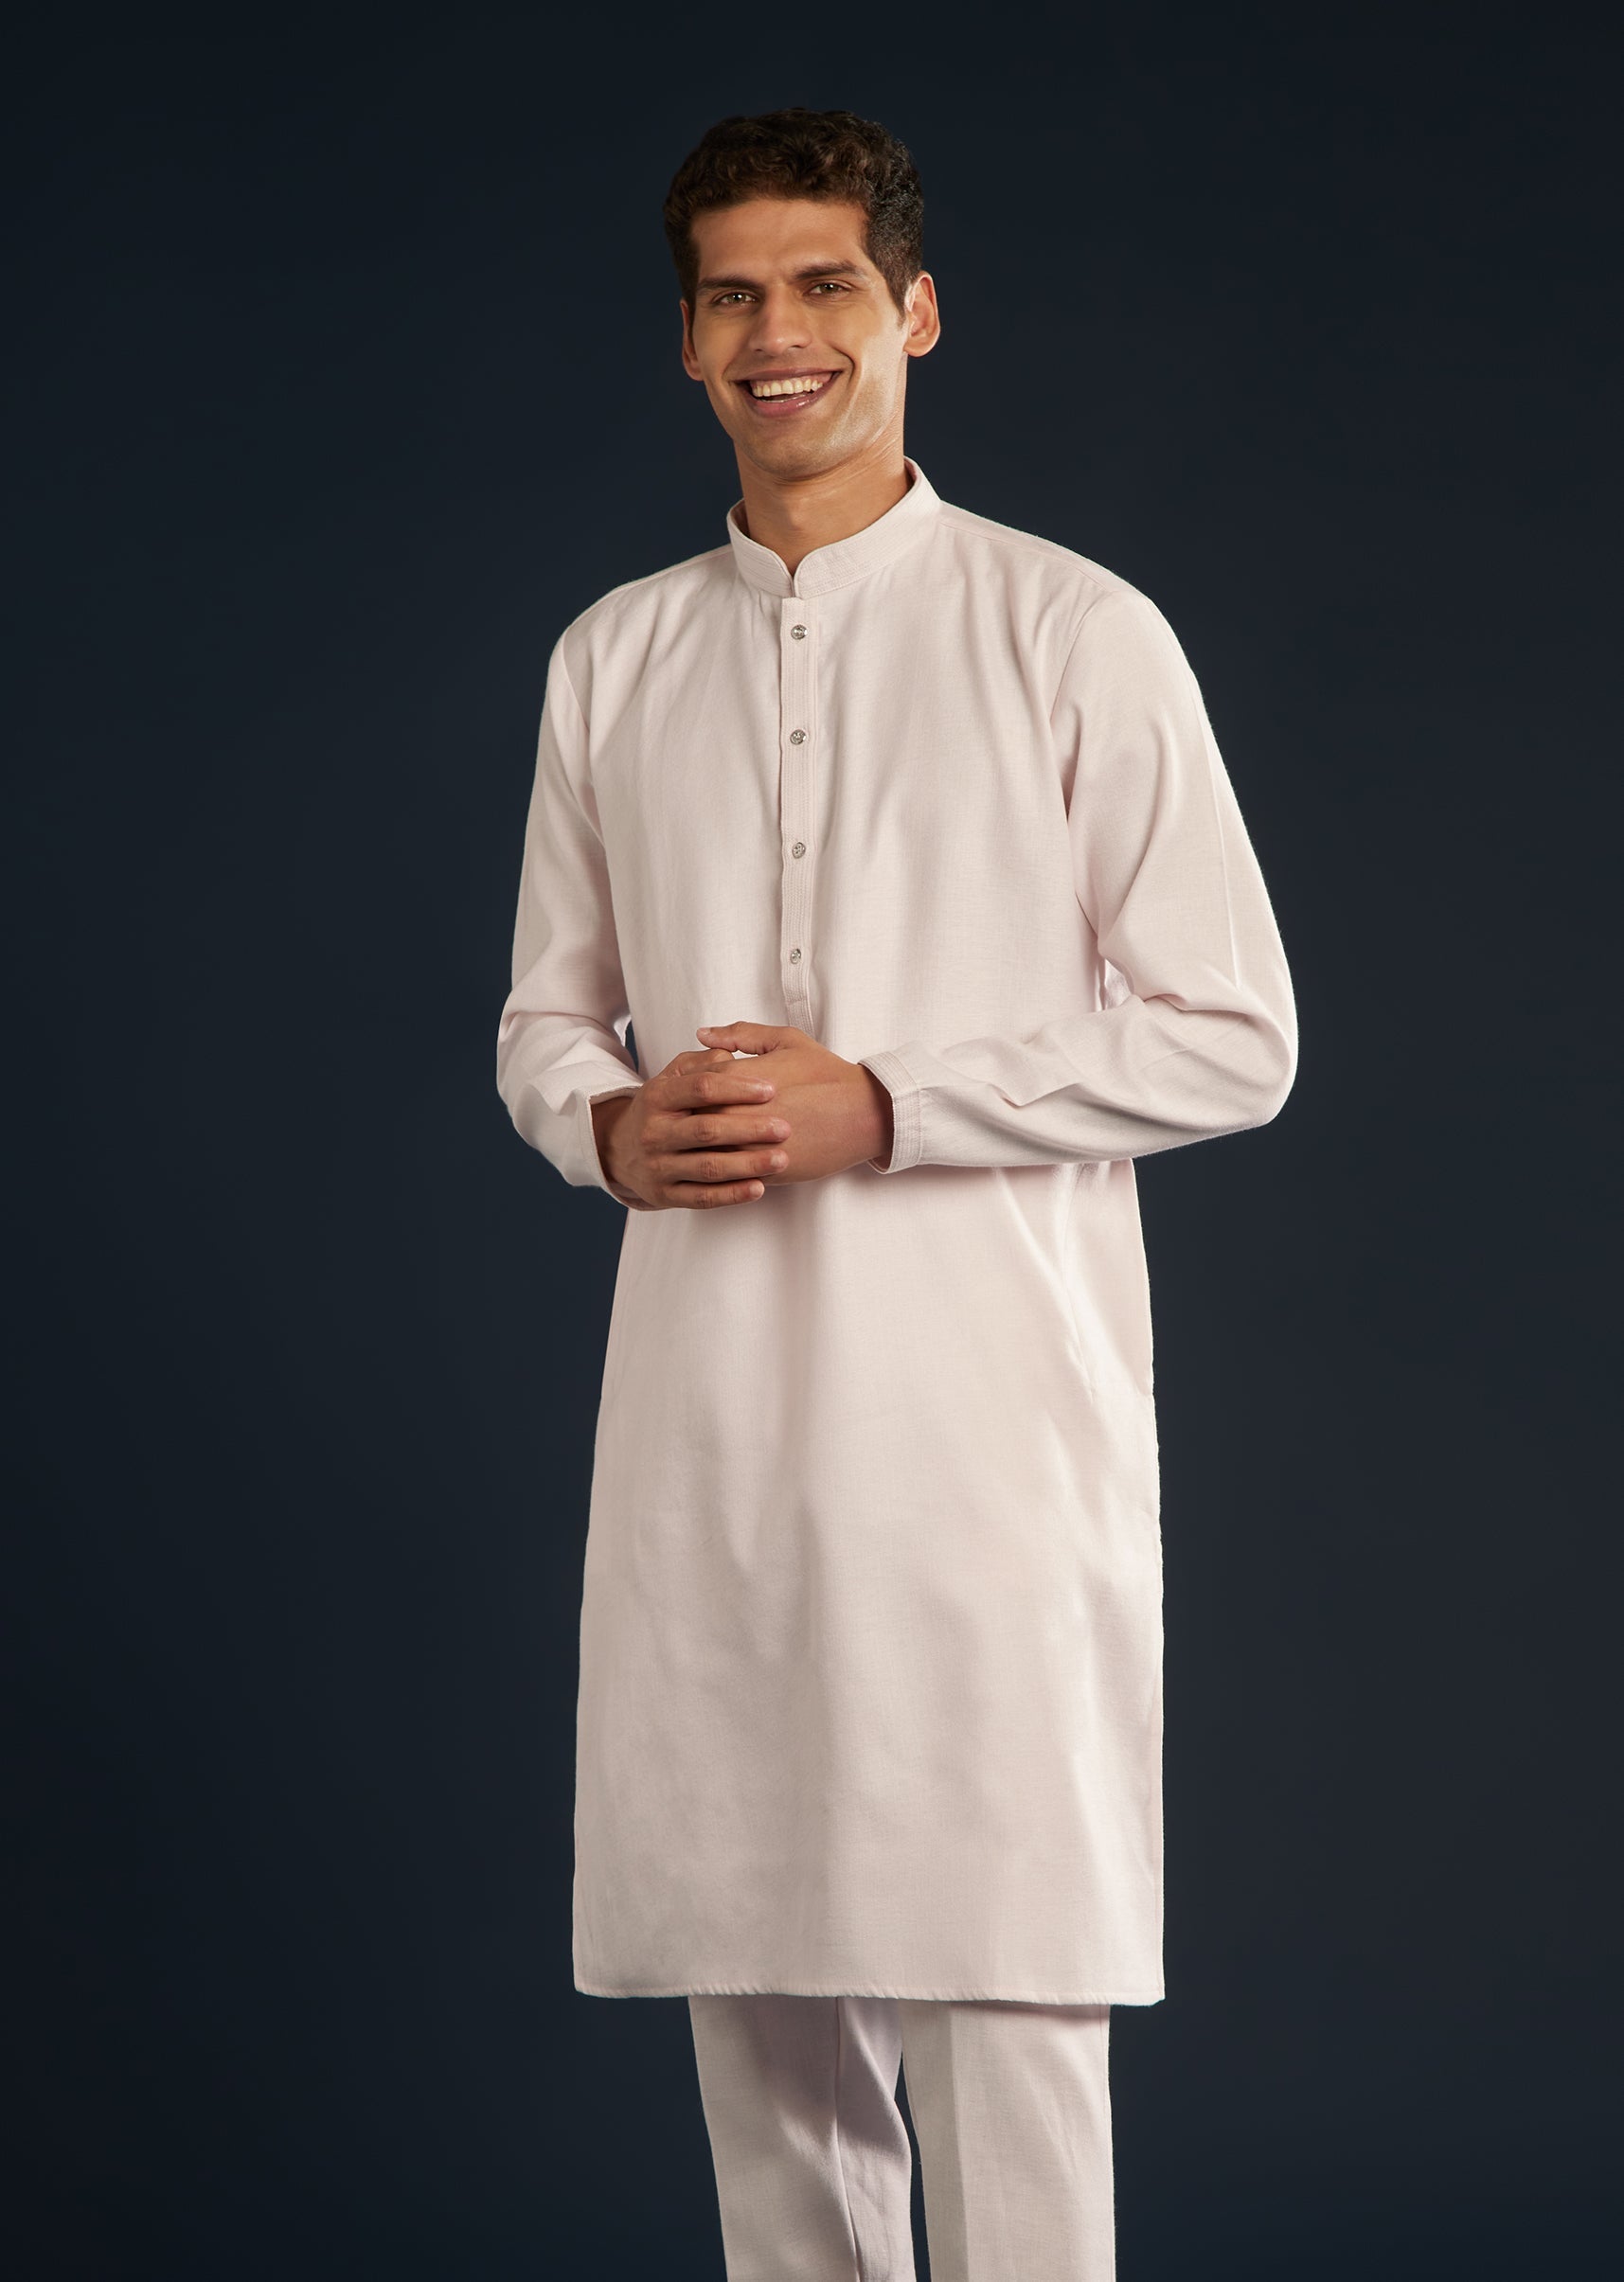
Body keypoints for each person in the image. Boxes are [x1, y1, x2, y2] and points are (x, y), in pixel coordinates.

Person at [495, 104, 1297, 2282]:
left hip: (984, 1432)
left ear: (917, 312)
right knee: (761, 2009)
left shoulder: (1068, 628)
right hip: (714, 1426)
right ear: (687, 342)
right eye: (734, 295)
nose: (782, 333)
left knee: (1001, 1987)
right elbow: (547, 1016)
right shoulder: (616, 655)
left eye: (825, 284)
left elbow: (1236, 1031)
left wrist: (894, 1103)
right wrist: (602, 1125)